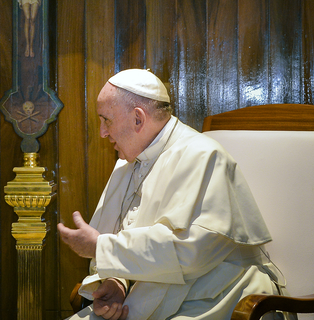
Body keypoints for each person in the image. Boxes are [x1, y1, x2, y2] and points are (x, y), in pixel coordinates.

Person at [58, 69, 290, 320]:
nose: (103, 132)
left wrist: (100, 247)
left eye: (107, 120)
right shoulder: (127, 163)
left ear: (138, 119)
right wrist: (118, 283)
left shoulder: (202, 155)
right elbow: (131, 238)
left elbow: (189, 253)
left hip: (215, 297)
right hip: (150, 294)